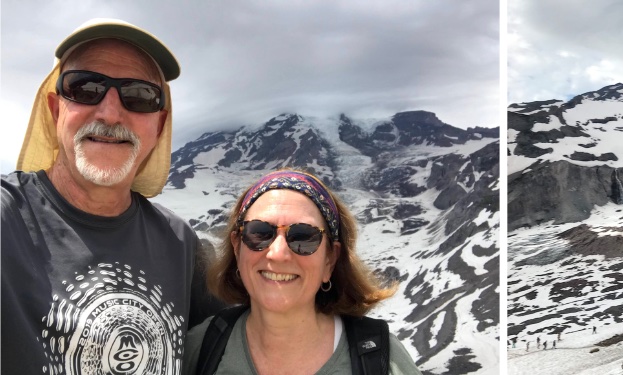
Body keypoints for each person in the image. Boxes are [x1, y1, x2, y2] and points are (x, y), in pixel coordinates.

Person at [1, 19, 221, 374]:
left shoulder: (180, 243)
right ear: (57, 110)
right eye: (86, 88)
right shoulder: (6, 219)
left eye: (139, 95)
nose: (110, 113)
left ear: (159, 125)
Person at [182, 169, 421, 374]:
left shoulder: (380, 359)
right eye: (259, 232)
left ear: (330, 259)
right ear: (237, 247)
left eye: (303, 237)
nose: (278, 253)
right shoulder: (201, 348)